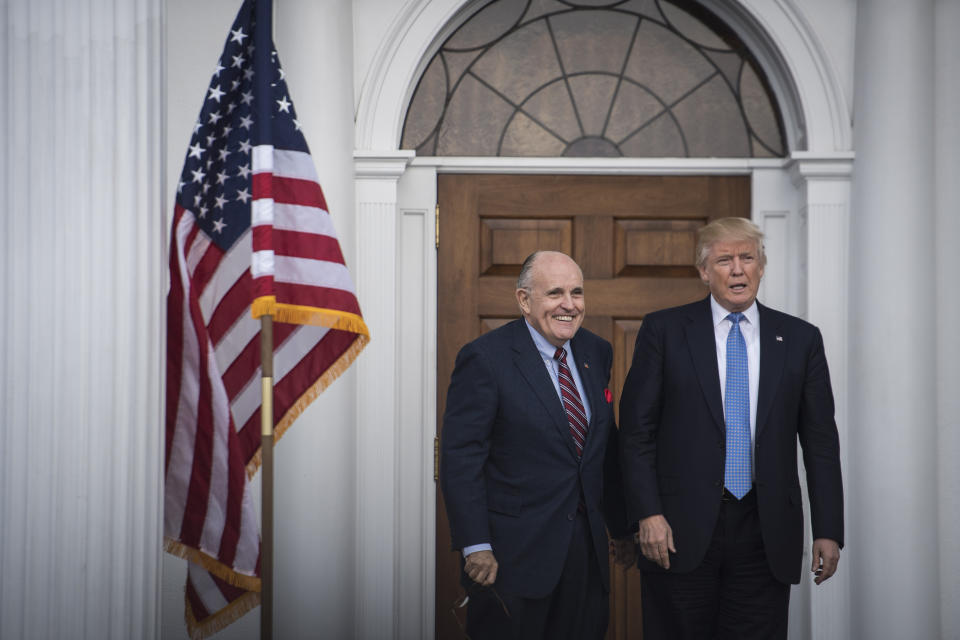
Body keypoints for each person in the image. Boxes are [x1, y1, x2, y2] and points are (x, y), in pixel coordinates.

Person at [619, 217, 844, 639]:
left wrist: (829, 529)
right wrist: (647, 513)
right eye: (724, 260)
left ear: (761, 266)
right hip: (677, 530)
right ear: (704, 271)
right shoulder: (664, 331)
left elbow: (820, 442)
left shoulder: (800, 339)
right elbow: (636, 431)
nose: (738, 269)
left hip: (766, 531)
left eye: (748, 257)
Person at [440, 250, 634, 640]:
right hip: (511, 555)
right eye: (555, 293)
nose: (569, 305)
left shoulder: (596, 351)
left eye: (577, 293)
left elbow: (603, 449)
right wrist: (475, 544)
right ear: (524, 300)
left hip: (585, 553)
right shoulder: (486, 358)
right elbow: (462, 458)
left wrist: (622, 527)